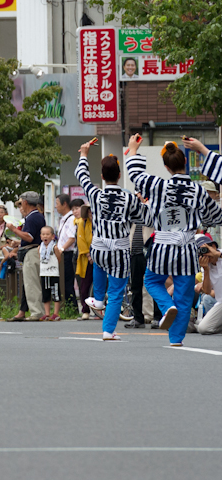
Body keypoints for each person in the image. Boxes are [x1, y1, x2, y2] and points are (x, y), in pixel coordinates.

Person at [126, 137, 222, 346]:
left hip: (161, 245)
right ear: (185, 163)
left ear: (167, 167)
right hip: (187, 247)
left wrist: (133, 149)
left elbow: (135, 174)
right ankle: (176, 338)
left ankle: (166, 304)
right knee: (184, 294)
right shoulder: (198, 191)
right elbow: (216, 216)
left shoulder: (157, 185)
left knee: (151, 281)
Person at [76, 143, 144, 341]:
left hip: (98, 247)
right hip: (120, 249)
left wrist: (84, 154)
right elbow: (142, 216)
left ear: (103, 177)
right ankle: (108, 331)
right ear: (120, 175)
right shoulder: (129, 198)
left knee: (99, 265)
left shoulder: (95, 194)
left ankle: (97, 300)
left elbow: (82, 176)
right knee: (115, 292)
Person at [7, 192, 46, 321]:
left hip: (32, 252)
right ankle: (29, 310)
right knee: (30, 283)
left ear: (25, 202)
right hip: (34, 250)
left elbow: (29, 237)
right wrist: (19, 242)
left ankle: (36, 312)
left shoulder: (32, 217)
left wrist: (14, 229)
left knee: (32, 283)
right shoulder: (37, 216)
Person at [195, 235, 222, 335]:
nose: (205, 254)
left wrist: (218, 254)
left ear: (214, 246)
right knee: (203, 328)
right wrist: (206, 270)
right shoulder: (206, 266)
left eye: (206, 249)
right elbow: (206, 291)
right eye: (201, 251)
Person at [55, 194, 77, 311]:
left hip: (67, 254)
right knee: (63, 281)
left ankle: (72, 308)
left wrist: (62, 249)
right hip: (62, 254)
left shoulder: (71, 218)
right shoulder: (64, 219)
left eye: (57, 204)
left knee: (67, 282)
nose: (55, 207)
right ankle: (67, 308)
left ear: (64, 204)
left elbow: (72, 237)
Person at [74, 203, 96, 320]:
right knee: (85, 285)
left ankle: (99, 310)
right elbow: (80, 240)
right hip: (86, 258)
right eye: (90, 211)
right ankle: (85, 310)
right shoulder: (82, 223)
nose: (92, 214)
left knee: (100, 284)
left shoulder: (100, 223)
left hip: (100, 257)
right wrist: (88, 255)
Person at [39, 226, 62, 320]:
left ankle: (56, 313)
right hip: (43, 273)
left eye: (47, 234)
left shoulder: (54, 247)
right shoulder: (39, 247)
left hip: (53, 273)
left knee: (55, 293)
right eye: (43, 234)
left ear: (52, 236)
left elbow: (58, 258)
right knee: (45, 294)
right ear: (40, 236)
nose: (45, 236)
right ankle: (47, 313)